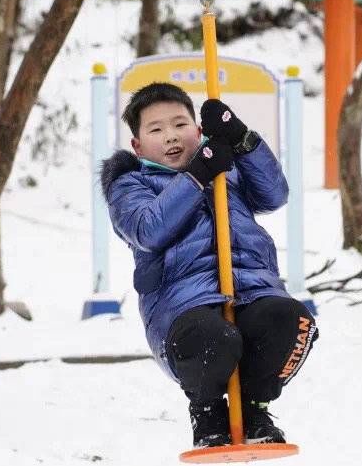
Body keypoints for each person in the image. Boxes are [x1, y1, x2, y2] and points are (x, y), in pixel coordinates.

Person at [100, 82, 318, 448]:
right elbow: (148, 229)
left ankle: (255, 408)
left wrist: (242, 140)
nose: (171, 136)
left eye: (180, 124)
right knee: (215, 338)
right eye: (156, 129)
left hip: (252, 291)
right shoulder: (131, 185)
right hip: (184, 313)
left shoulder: (225, 169)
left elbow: (274, 194)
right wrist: (196, 177)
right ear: (138, 147)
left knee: (293, 321)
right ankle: (207, 412)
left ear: (198, 131)